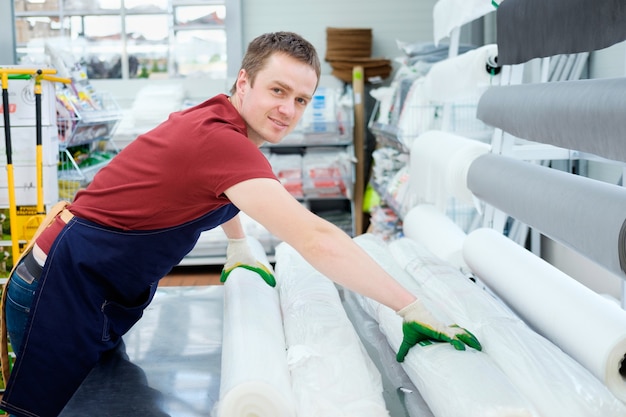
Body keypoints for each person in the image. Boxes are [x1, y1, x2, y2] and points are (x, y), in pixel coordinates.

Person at [0, 31, 481, 417]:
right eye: (277, 90)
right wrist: (409, 306)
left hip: (91, 285)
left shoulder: (219, 122)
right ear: (244, 82)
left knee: (96, 398)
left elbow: (215, 190)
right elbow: (315, 238)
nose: (287, 110)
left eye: (300, 98)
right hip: (60, 287)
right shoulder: (223, 143)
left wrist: (238, 243)